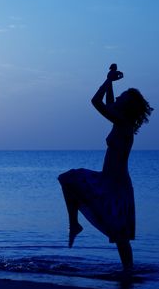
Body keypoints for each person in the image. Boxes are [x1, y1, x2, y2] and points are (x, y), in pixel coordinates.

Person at [58, 64, 153, 272]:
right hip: (107, 180)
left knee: (120, 237)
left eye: (122, 97)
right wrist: (108, 80)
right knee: (67, 179)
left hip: (117, 186)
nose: (118, 98)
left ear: (128, 106)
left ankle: (128, 271)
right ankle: (74, 224)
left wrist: (108, 80)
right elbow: (109, 103)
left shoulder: (123, 123)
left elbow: (96, 102)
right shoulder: (120, 121)